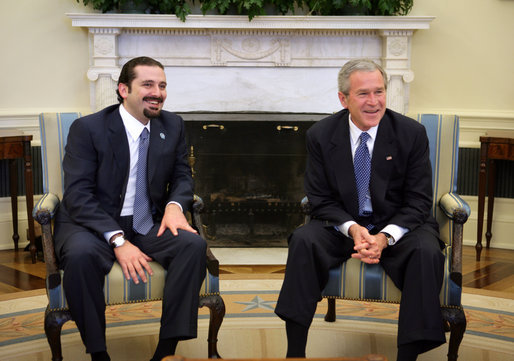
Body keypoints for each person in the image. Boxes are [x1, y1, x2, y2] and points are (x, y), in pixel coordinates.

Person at [274, 59, 445, 361]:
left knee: (426, 251)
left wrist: (385, 237)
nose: (374, 102)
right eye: (363, 94)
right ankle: (294, 354)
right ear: (343, 99)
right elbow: (319, 198)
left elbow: (418, 200)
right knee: (303, 240)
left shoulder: (411, 134)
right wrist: (353, 229)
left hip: (399, 227)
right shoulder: (321, 135)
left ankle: (407, 356)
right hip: (344, 225)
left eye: (379, 92)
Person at [54, 56, 207, 361]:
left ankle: (165, 351)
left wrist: (176, 206)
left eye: (162, 85)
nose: (158, 92)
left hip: (145, 221)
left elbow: (181, 175)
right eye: (147, 84)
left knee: (192, 245)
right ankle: (99, 353)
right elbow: (78, 195)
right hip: (92, 224)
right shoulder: (88, 129)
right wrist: (118, 240)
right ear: (124, 89)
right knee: (81, 256)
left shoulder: (172, 125)